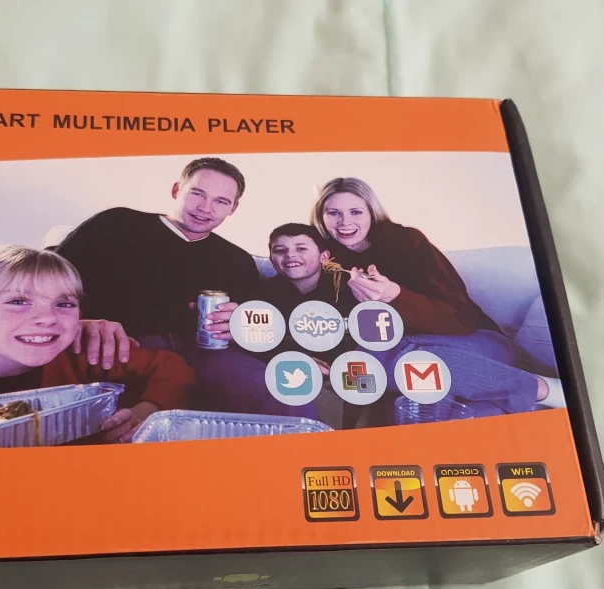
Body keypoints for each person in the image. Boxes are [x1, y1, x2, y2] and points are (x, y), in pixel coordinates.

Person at [56, 158, 310, 417]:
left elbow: (255, 328)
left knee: (290, 394)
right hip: (122, 347)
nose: (205, 208)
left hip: (205, 356)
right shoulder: (115, 223)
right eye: (197, 194)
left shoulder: (238, 260)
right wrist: (78, 320)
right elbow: (47, 280)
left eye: (221, 201)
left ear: (233, 208)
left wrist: (240, 327)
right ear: (177, 190)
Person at [0, 245, 194, 448]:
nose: (47, 318)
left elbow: (172, 368)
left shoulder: (79, 350)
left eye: (64, 304)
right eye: (18, 302)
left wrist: (148, 410)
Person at [309, 177, 564, 416]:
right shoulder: (320, 258)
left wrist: (396, 296)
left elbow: (461, 316)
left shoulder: (406, 242)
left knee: (386, 358)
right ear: (321, 217)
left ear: (371, 213)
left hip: (472, 344)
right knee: (415, 401)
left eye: (355, 212)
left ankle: (542, 388)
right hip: (405, 361)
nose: (344, 222)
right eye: (334, 213)